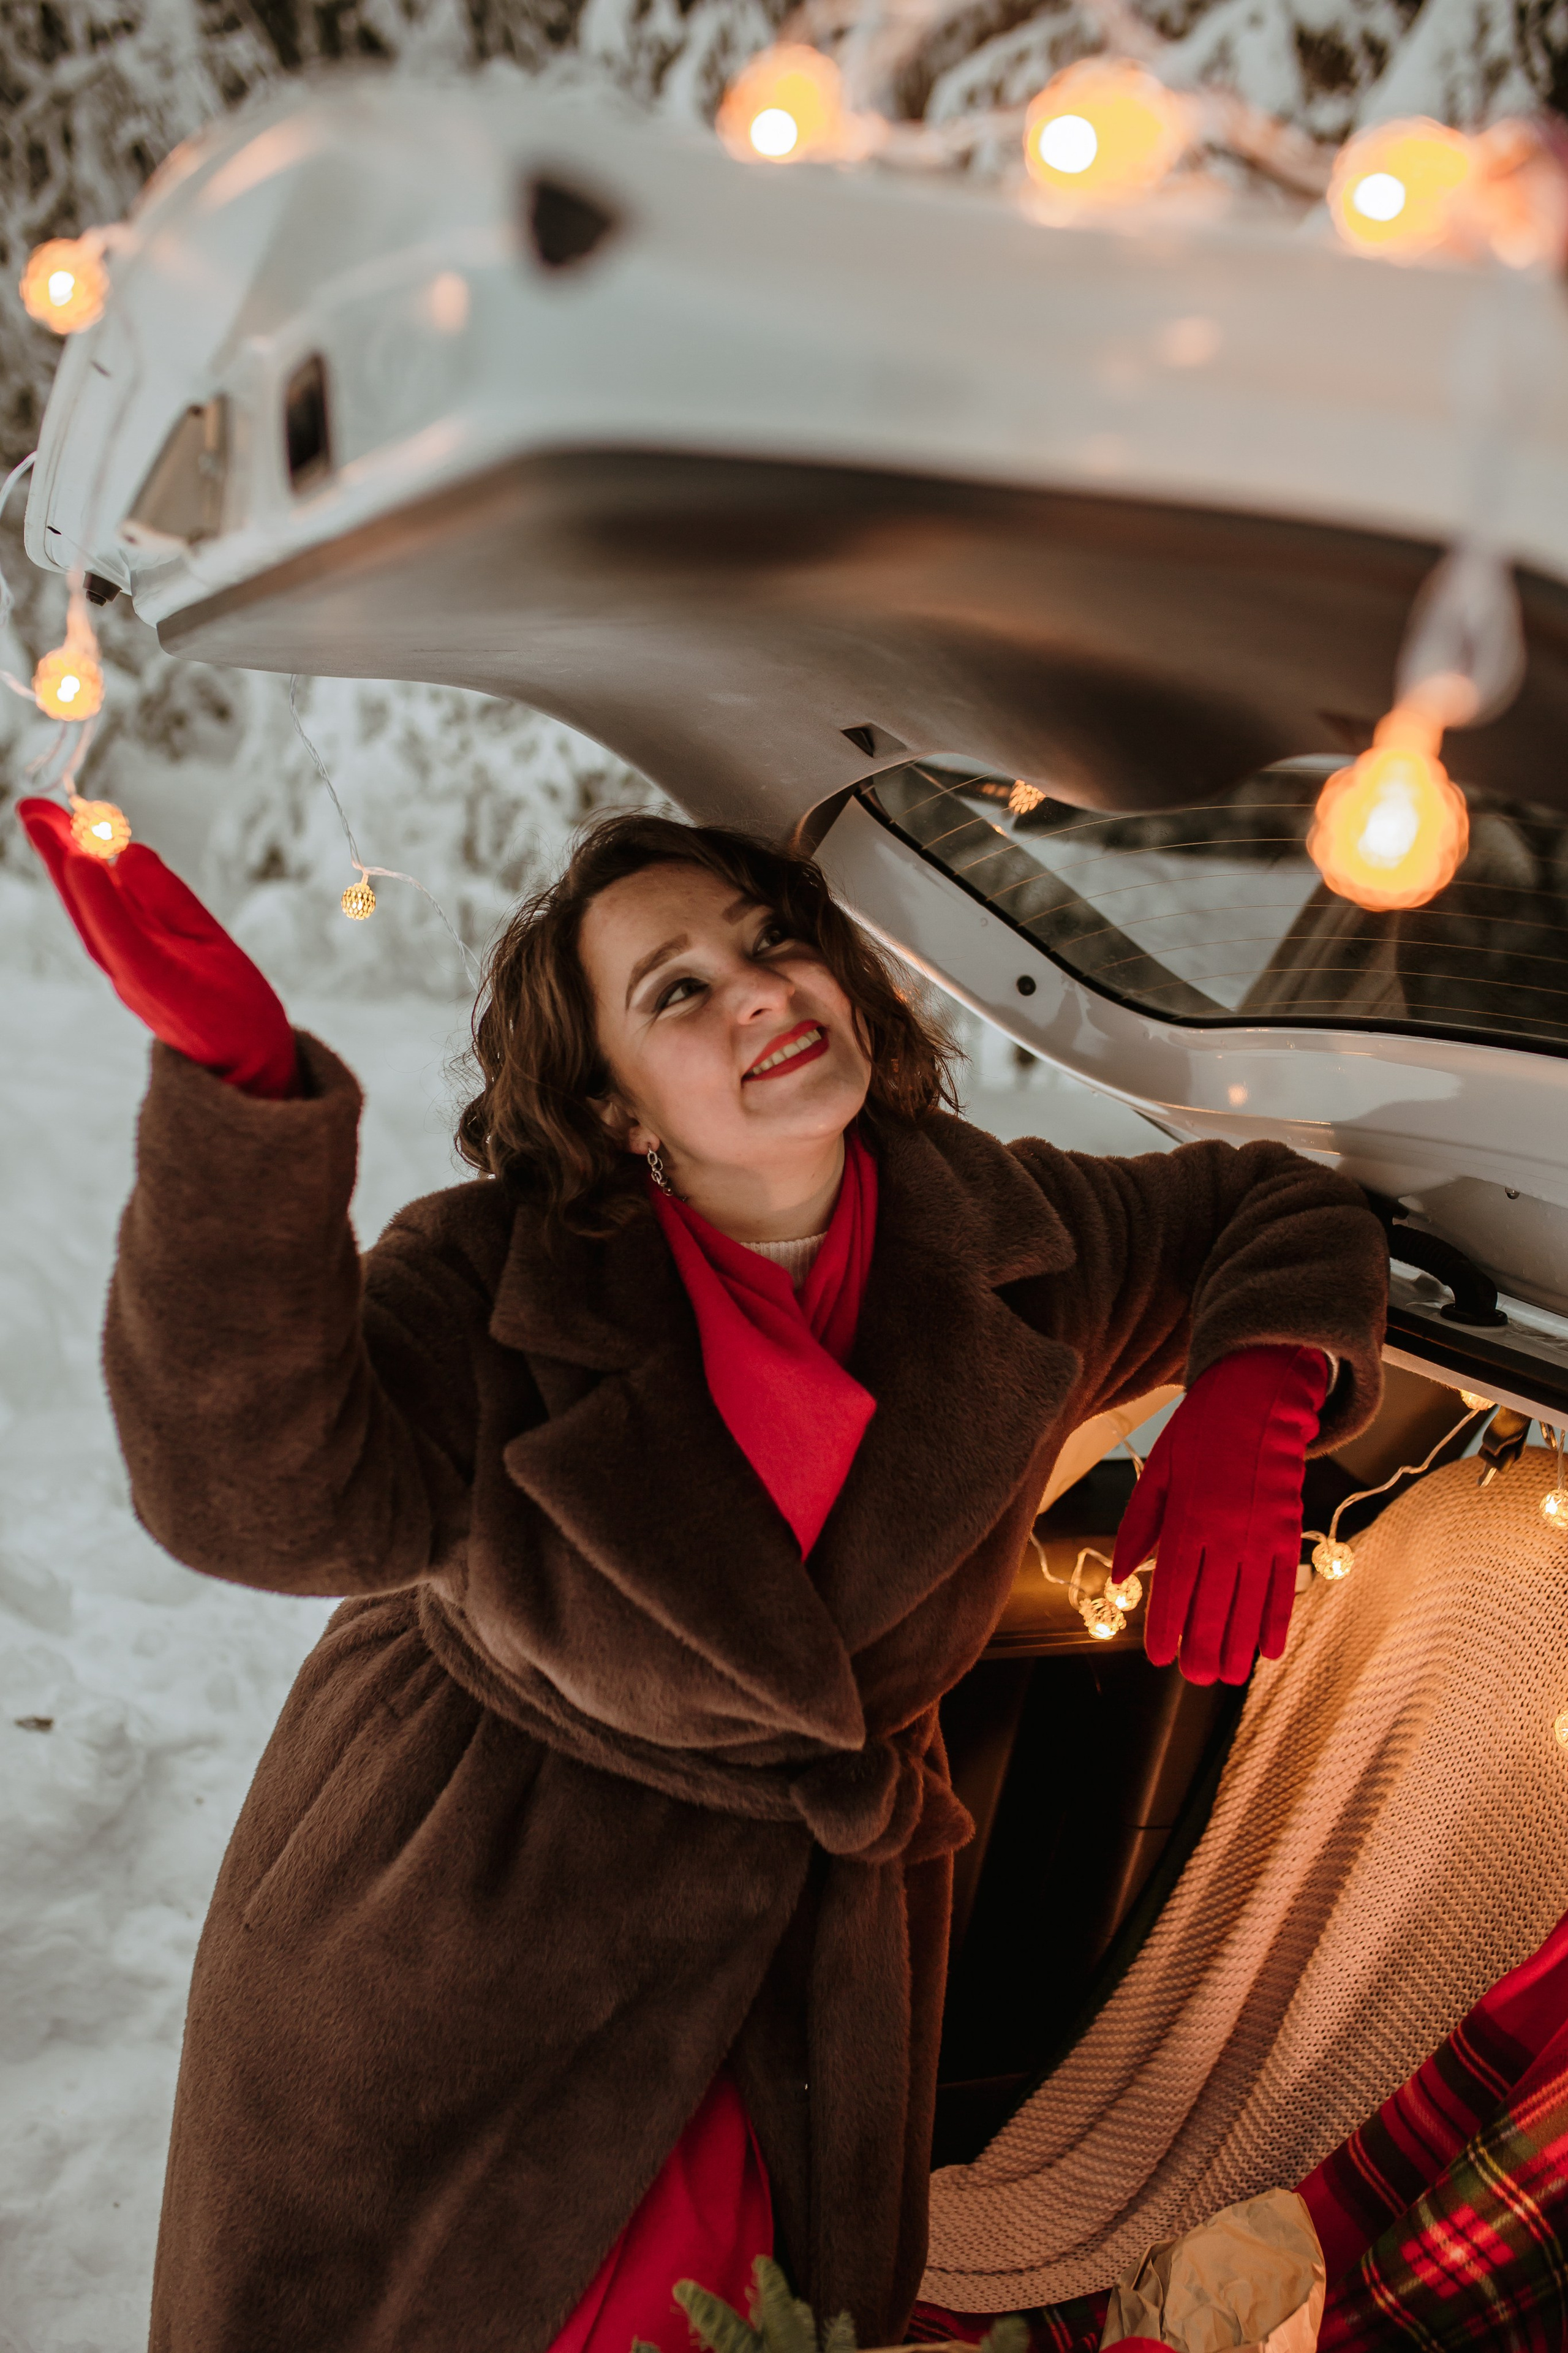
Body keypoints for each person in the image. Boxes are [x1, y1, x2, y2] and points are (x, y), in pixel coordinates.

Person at [20, 799, 1387, 2353]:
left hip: (801, 1996)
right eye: (676, 988)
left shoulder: (1008, 1234)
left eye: (771, 939)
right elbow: (256, 1502)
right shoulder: (492, 1282)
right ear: (613, 1109)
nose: (760, 990)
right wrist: (242, 1098)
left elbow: (1270, 1202)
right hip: (462, 1943)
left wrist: (1259, 1381)